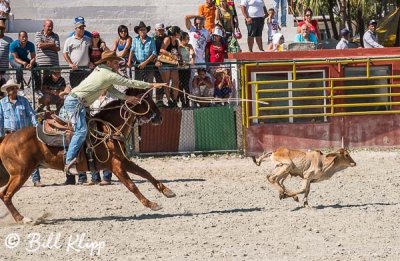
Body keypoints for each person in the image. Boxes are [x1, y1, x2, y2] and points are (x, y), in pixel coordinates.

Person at [63, 50, 166, 174]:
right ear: (109, 62)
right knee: (81, 130)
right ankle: (69, 161)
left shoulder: (101, 71)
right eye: (116, 62)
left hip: (78, 103)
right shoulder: (108, 74)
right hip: (76, 103)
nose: (118, 65)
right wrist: (151, 85)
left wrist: (127, 98)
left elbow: (112, 90)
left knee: (90, 128)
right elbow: (129, 83)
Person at [0, 79, 43, 187]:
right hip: (9, 135)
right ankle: (11, 180)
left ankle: (36, 180)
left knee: (32, 157)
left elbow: (32, 114)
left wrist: (36, 127)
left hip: (23, 135)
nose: (15, 90)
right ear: (7, 90)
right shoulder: (1, 103)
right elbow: (0, 119)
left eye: (16, 88)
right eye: (12, 88)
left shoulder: (23, 100)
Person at [63, 16, 92, 88]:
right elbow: (65, 53)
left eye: (83, 28)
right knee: (75, 90)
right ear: (75, 29)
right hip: (75, 70)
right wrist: (70, 63)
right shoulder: (69, 40)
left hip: (86, 70)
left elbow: (93, 50)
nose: (82, 30)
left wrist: (92, 61)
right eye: (80, 28)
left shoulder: (88, 39)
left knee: (86, 90)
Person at [159, 26, 181, 108]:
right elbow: (161, 50)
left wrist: (179, 58)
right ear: (175, 33)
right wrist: (171, 55)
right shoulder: (167, 39)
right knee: (166, 83)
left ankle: (174, 100)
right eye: (178, 32)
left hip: (174, 64)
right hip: (166, 64)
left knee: (176, 82)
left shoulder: (177, 41)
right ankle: (169, 101)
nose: (179, 34)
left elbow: (178, 52)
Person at [179, 31, 195, 108]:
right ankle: (182, 102)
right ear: (181, 39)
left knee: (186, 86)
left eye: (188, 38)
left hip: (186, 68)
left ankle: (188, 102)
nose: (188, 40)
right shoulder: (178, 46)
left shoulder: (189, 46)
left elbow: (192, 54)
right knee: (180, 86)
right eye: (186, 38)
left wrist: (191, 60)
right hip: (179, 69)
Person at [153, 23, 167, 107]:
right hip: (157, 65)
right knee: (159, 83)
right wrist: (156, 60)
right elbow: (152, 52)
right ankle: (159, 101)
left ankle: (164, 100)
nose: (161, 32)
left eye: (162, 30)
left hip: (167, 64)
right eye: (159, 30)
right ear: (155, 31)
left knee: (166, 83)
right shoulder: (153, 40)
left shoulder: (167, 38)